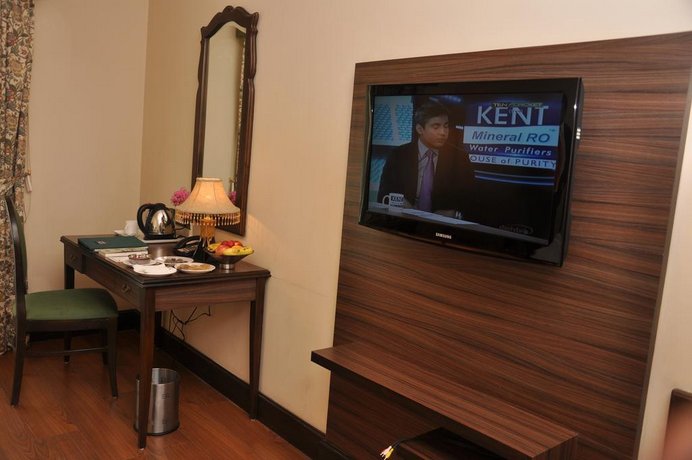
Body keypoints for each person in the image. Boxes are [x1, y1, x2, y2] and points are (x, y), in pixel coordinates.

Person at [377, 100, 469, 215]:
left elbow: (470, 198)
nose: (443, 132)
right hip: (404, 219)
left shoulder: (460, 158)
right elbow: (384, 193)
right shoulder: (398, 155)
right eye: (436, 127)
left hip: (442, 223)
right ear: (420, 129)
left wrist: (454, 212)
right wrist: (401, 204)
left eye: (446, 126)